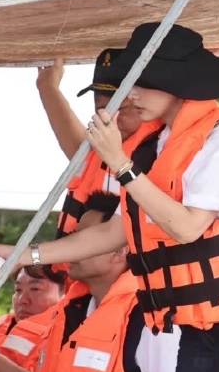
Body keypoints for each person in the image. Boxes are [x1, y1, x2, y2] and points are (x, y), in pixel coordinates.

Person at [0, 22, 219, 372]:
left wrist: (121, 164)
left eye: (142, 82)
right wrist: (26, 254)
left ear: (178, 83)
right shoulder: (157, 146)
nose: (130, 93)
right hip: (196, 315)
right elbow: (113, 232)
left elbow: (187, 227)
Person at [0, 202, 180, 372]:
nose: (71, 249)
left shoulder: (151, 318)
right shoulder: (69, 314)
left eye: (83, 238)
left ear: (118, 251)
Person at [36, 54, 162, 238]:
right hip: (71, 256)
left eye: (121, 108)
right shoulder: (99, 148)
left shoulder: (162, 152)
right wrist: (47, 86)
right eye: (100, 110)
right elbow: (76, 145)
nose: (108, 119)